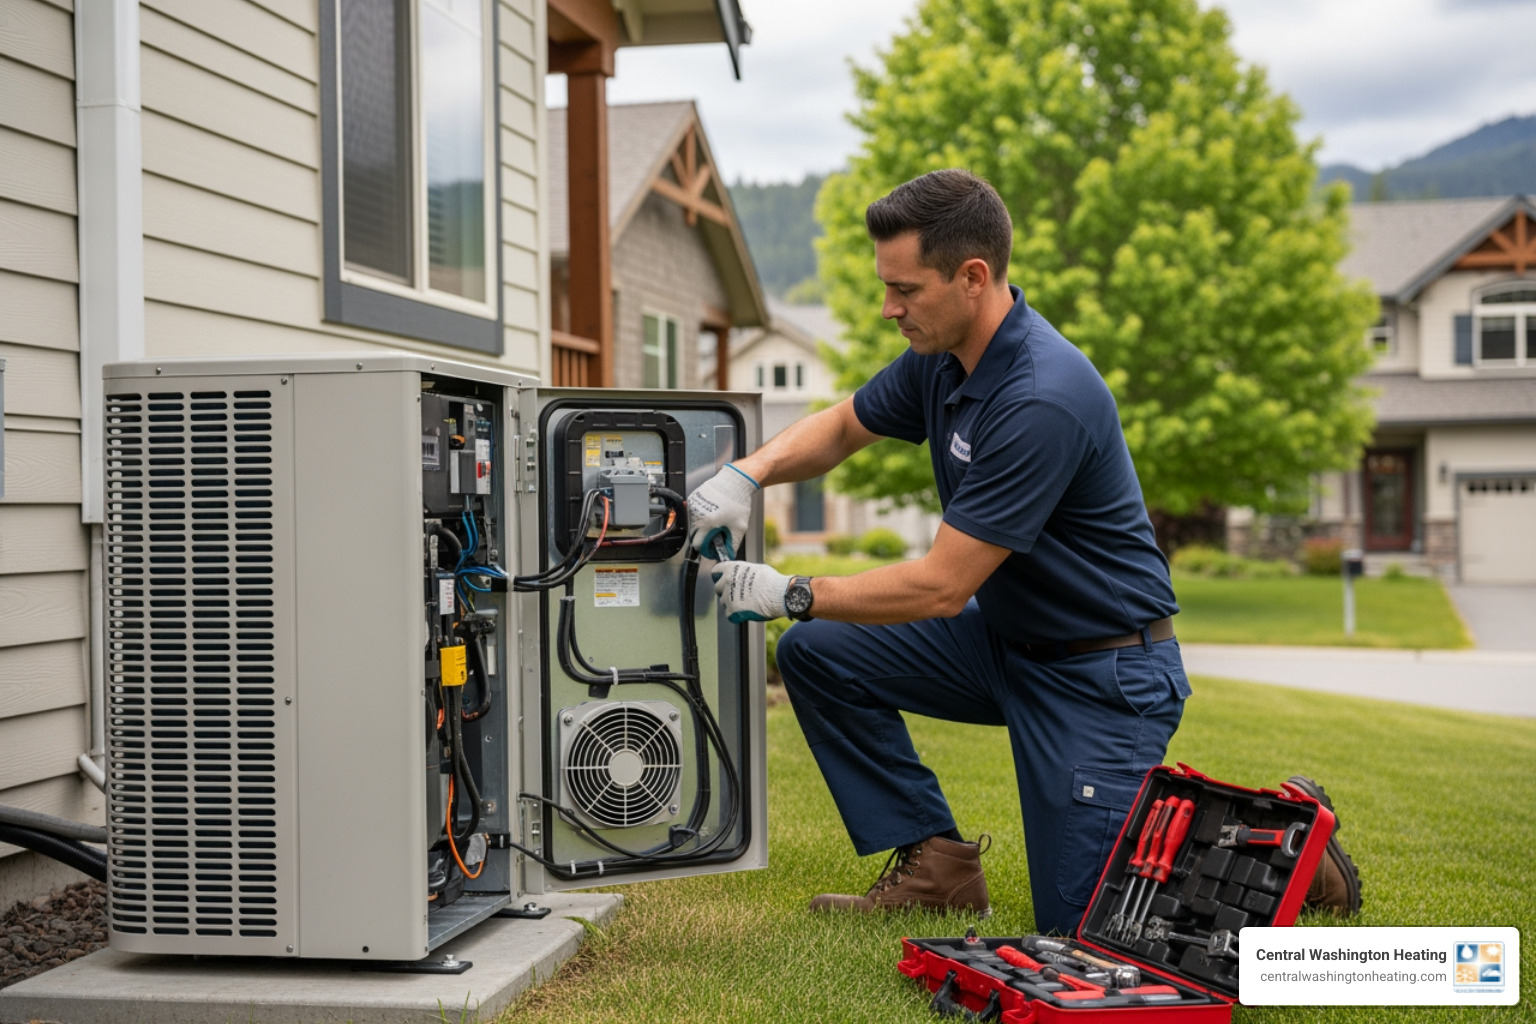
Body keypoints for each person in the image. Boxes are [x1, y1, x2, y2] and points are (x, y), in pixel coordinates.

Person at [687, 169, 1357, 933]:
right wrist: (750, 472)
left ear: (973, 278)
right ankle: (935, 866)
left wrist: (788, 591)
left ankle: (1291, 841)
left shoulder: (1040, 397)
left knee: (1090, 929)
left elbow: (941, 586)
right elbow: (843, 425)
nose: (888, 308)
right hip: (1004, 644)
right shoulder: (943, 360)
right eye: (886, 287)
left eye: (905, 289)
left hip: (1100, 674)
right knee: (822, 654)